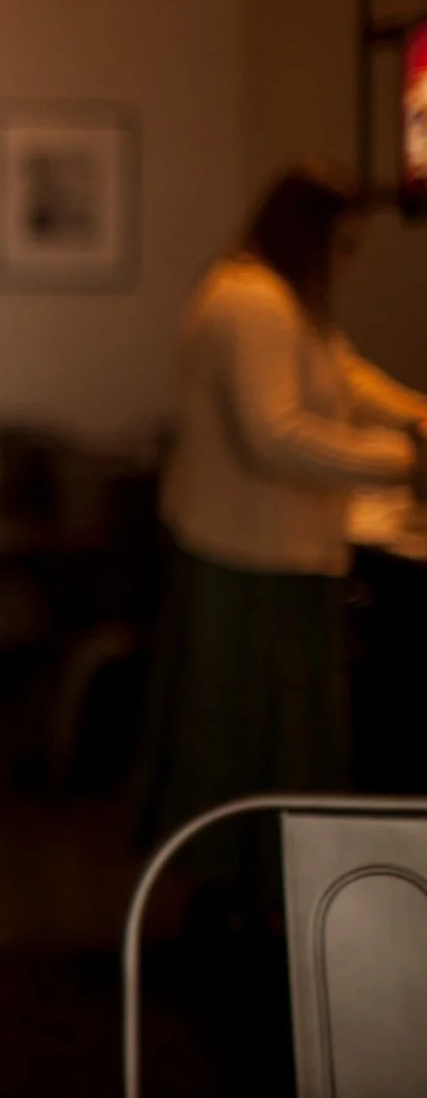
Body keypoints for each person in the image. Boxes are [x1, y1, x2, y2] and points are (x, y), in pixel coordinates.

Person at [136, 163, 427, 899]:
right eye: (345, 244)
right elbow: (277, 433)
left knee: (266, 734)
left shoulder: (282, 300)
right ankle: (242, 893)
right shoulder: (253, 302)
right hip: (250, 557)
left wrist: (416, 417)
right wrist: (402, 461)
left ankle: (260, 891)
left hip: (273, 551)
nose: (348, 261)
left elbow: (344, 375)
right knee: (247, 737)